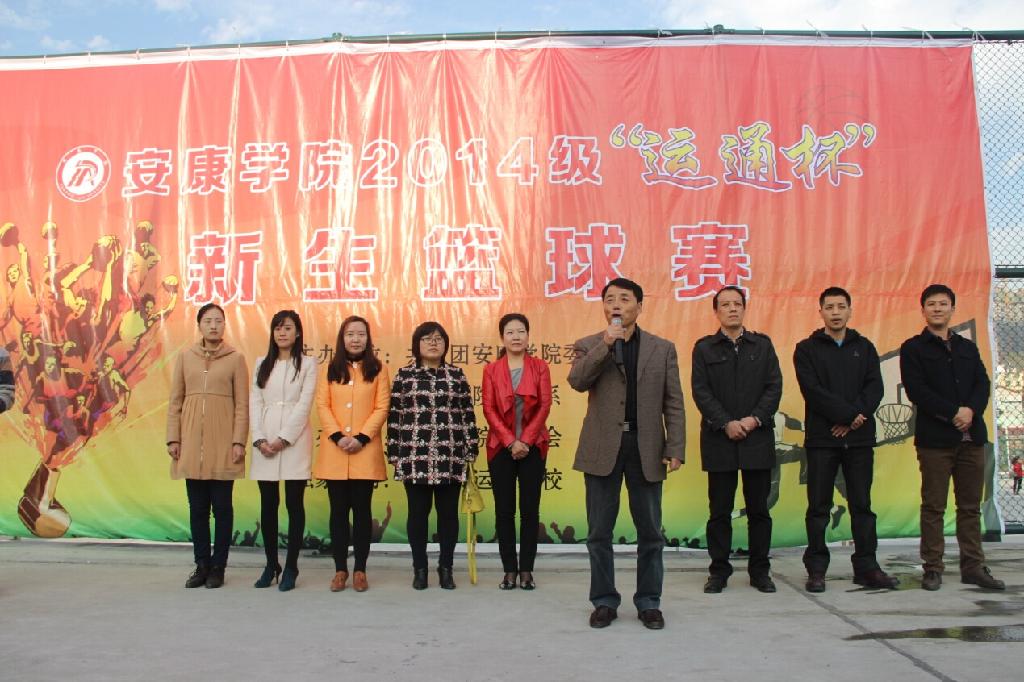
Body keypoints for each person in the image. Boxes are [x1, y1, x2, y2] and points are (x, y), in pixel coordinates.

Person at [568, 278, 685, 630]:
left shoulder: (662, 349)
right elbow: (577, 381)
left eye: (624, 298)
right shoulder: (588, 344)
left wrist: (675, 446)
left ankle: (649, 602)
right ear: (604, 308)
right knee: (598, 532)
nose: (616, 304)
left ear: (640, 306)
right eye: (609, 299)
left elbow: (673, 401)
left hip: (645, 447)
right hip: (603, 447)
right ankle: (604, 601)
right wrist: (606, 344)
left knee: (650, 532)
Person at [900, 284, 1004, 591]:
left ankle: (973, 567)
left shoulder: (967, 347)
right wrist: (952, 413)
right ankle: (933, 568)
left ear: (952, 309)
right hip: (935, 441)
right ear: (923, 310)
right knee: (934, 506)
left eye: (943, 304)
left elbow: (982, 384)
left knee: (970, 507)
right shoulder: (913, 348)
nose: (937, 308)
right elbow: (917, 391)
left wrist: (970, 411)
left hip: (972, 439)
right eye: (931, 304)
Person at [794, 287, 898, 592]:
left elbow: (874, 388)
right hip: (822, 439)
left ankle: (867, 567)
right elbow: (812, 391)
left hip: (859, 440)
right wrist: (846, 416)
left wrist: (853, 419)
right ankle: (816, 569)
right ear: (821, 312)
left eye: (841, 306)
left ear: (850, 311)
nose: (836, 312)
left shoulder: (864, 347)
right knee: (818, 507)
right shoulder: (806, 349)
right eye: (829, 307)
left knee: (862, 505)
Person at [692, 286, 782, 595]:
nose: (732, 309)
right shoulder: (704, 348)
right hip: (720, 440)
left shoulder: (762, 345)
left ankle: (760, 571)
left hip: (757, 438)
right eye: (725, 304)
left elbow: (774, 387)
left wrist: (753, 419)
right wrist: (726, 423)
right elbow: (701, 391)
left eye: (737, 304)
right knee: (719, 512)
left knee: (759, 511)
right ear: (716, 311)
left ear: (744, 309)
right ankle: (718, 572)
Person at [387, 321, 478, 591]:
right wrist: (394, 452)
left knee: (448, 516)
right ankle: (420, 568)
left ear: (445, 344)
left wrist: (471, 447)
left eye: (438, 338)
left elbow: (467, 414)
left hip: (451, 455)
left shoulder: (456, 375)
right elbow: (395, 416)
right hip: (415, 456)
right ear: (417, 345)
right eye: (426, 338)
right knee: (418, 515)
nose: (433, 343)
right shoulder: (404, 375)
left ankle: (446, 568)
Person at [166, 303, 249, 589]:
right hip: (191, 445)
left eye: (218, 321)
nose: (214, 326)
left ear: (224, 325)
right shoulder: (185, 357)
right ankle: (201, 565)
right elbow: (175, 402)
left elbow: (242, 405)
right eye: (208, 321)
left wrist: (238, 441)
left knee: (222, 509)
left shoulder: (236, 359)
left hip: (224, 445)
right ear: (199, 325)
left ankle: (218, 567)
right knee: (198, 509)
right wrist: (174, 438)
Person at [315, 315, 391, 593]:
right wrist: (338, 436)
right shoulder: (329, 369)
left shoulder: (379, 369)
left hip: (364, 451)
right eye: (350, 334)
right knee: (338, 513)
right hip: (334, 452)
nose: (355, 339)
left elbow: (382, 407)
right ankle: (340, 570)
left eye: (361, 334)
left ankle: (360, 570)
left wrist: (361, 437)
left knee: (362, 513)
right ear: (342, 338)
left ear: (368, 339)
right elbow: (322, 405)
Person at [482, 313, 552, 590]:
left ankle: (526, 571)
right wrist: (511, 441)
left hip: (534, 446)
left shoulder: (540, 367)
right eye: (510, 332)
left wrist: (526, 441)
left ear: (528, 335)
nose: (516, 337)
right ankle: (509, 570)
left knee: (530, 511)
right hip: (500, 447)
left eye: (521, 331)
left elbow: (544, 405)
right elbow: (489, 409)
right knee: (504, 511)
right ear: (502, 337)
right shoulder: (491, 370)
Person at [249, 310, 317, 592]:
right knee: (268, 505)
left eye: (287, 328)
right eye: (277, 328)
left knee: (294, 504)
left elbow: (304, 405)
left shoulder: (308, 364)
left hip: (294, 440)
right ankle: (270, 564)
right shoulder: (261, 363)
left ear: (297, 332)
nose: (282, 333)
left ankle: (291, 566)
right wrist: (259, 439)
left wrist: (283, 439)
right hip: (264, 439)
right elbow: (254, 402)